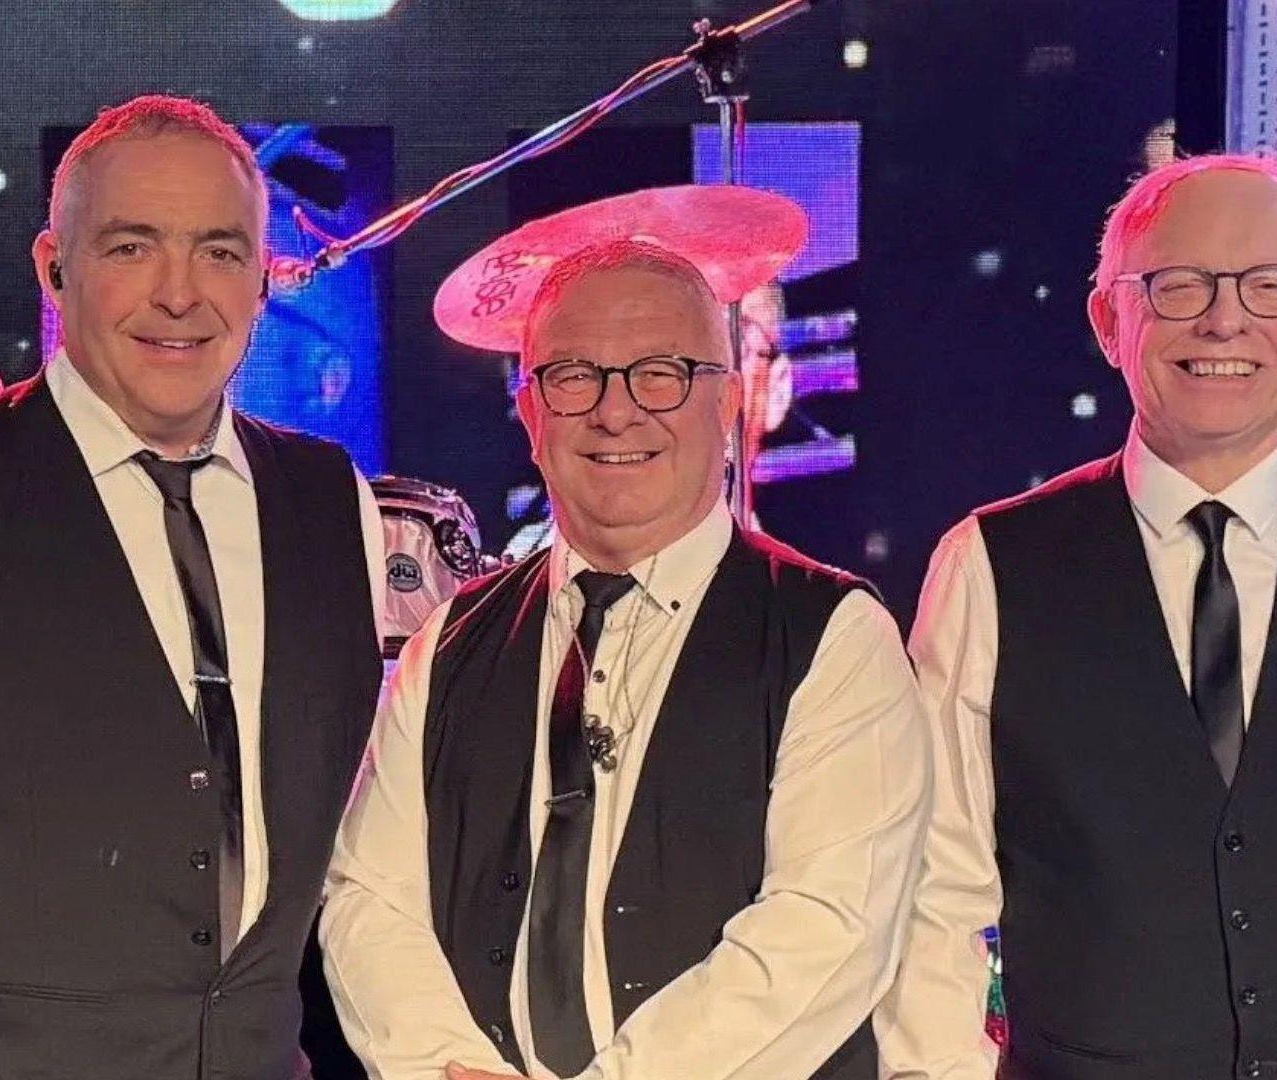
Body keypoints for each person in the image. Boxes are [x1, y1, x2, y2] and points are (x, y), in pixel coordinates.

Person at [0, 95, 386, 1078]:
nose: (180, 292)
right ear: (52, 267)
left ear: (263, 275)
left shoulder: (334, 505)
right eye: (131, 248)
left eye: (220, 252)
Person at [322, 238, 931, 1080]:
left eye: (661, 373)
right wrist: (444, 1066)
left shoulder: (835, 635)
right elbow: (368, 896)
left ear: (726, 400)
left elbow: (825, 928)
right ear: (531, 413)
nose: (617, 412)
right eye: (574, 376)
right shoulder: (450, 641)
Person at [876, 154, 1277, 1079]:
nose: (1226, 319)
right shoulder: (990, 566)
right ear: (1108, 320)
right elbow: (929, 893)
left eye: (1269, 285)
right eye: (1178, 286)